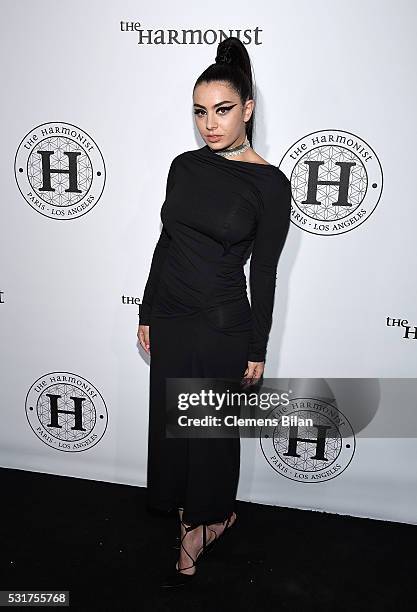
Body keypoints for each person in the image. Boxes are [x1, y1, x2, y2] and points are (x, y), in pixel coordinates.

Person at [137, 36, 292, 587]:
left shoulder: (271, 184)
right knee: (174, 432)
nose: (210, 124)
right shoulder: (184, 166)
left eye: (223, 110)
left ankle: (204, 524)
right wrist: (147, 310)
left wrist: (257, 347)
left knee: (209, 435)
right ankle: (196, 518)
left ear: (247, 109)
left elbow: (266, 273)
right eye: (201, 112)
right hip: (173, 319)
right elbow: (166, 242)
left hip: (223, 323)